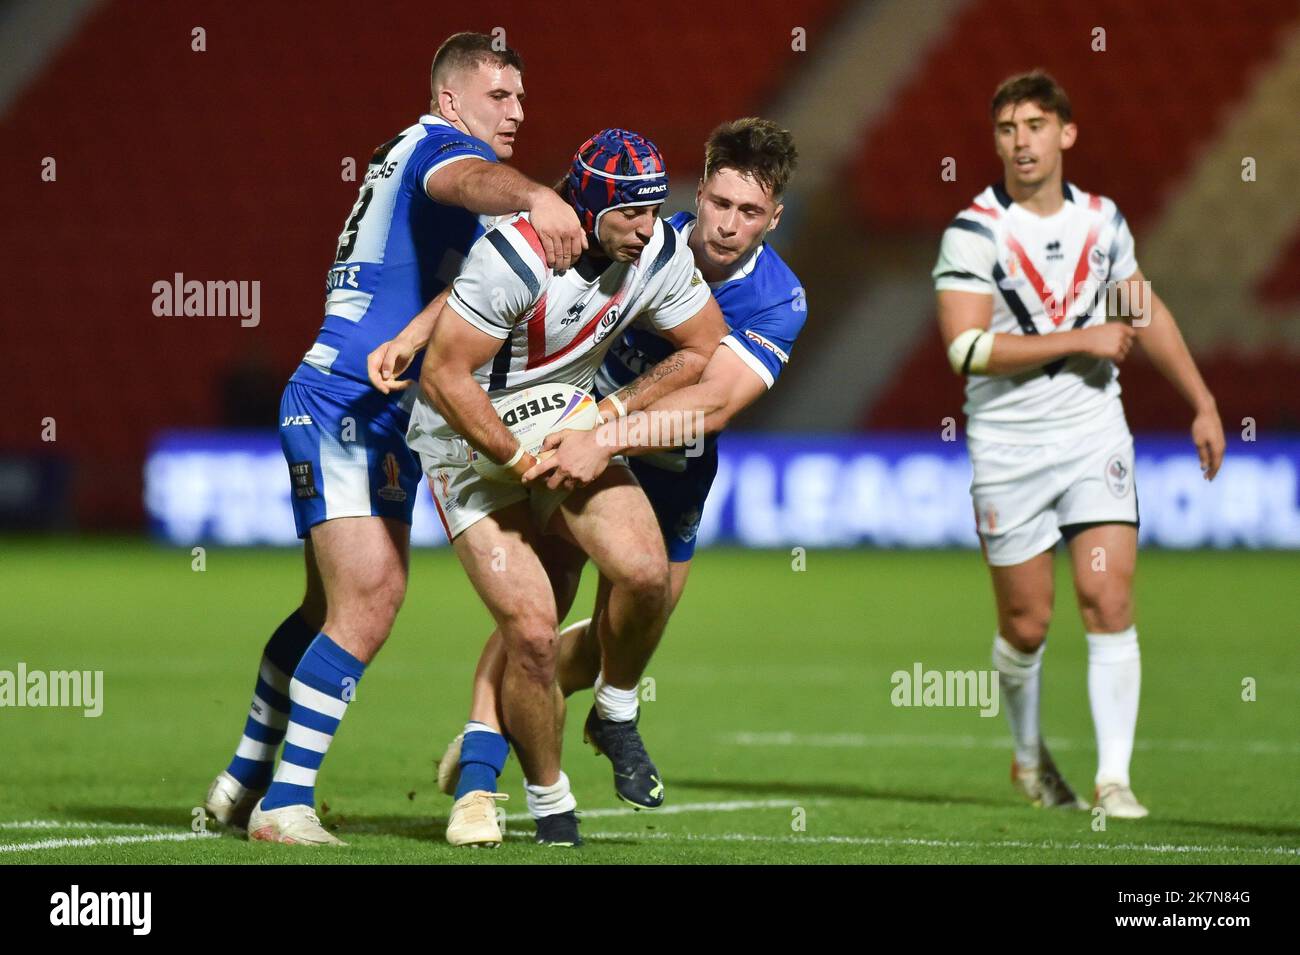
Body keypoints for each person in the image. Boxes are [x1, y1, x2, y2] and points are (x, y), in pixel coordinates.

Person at [202, 32, 586, 846]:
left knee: (325, 608)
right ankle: (285, 804)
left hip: (372, 404)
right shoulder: (440, 150)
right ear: (452, 100)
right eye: (499, 96)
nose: (517, 111)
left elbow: (456, 292)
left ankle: (242, 781)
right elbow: (472, 178)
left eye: (522, 98)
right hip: (349, 398)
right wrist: (533, 196)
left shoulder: (424, 168)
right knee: (370, 599)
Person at [428, 118, 807, 847]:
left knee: (621, 629)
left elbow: (714, 403)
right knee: (535, 614)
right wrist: (422, 333)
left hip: (664, 468)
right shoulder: (635, 228)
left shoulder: (776, 298)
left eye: (750, 213)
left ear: (774, 217)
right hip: (563, 437)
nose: (727, 227)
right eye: (720, 203)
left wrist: (607, 434)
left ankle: (607, 709)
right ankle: (483, 761)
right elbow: (496, 282)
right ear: (701, 189)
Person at [930, 70, 1224, 818]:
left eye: (1034, 124)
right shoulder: (974, 230)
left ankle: (1113, 779)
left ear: (1067, 133)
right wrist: (1082, 337)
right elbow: (964, 348)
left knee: (1107, 594)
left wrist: (1202, 400)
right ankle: (1028, 758)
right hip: (1009, 445)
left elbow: (1140, 306)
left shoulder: (1102, 221)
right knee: (1027, 623)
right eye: (1006, 128)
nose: (1020, 140)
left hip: (1095, 433)